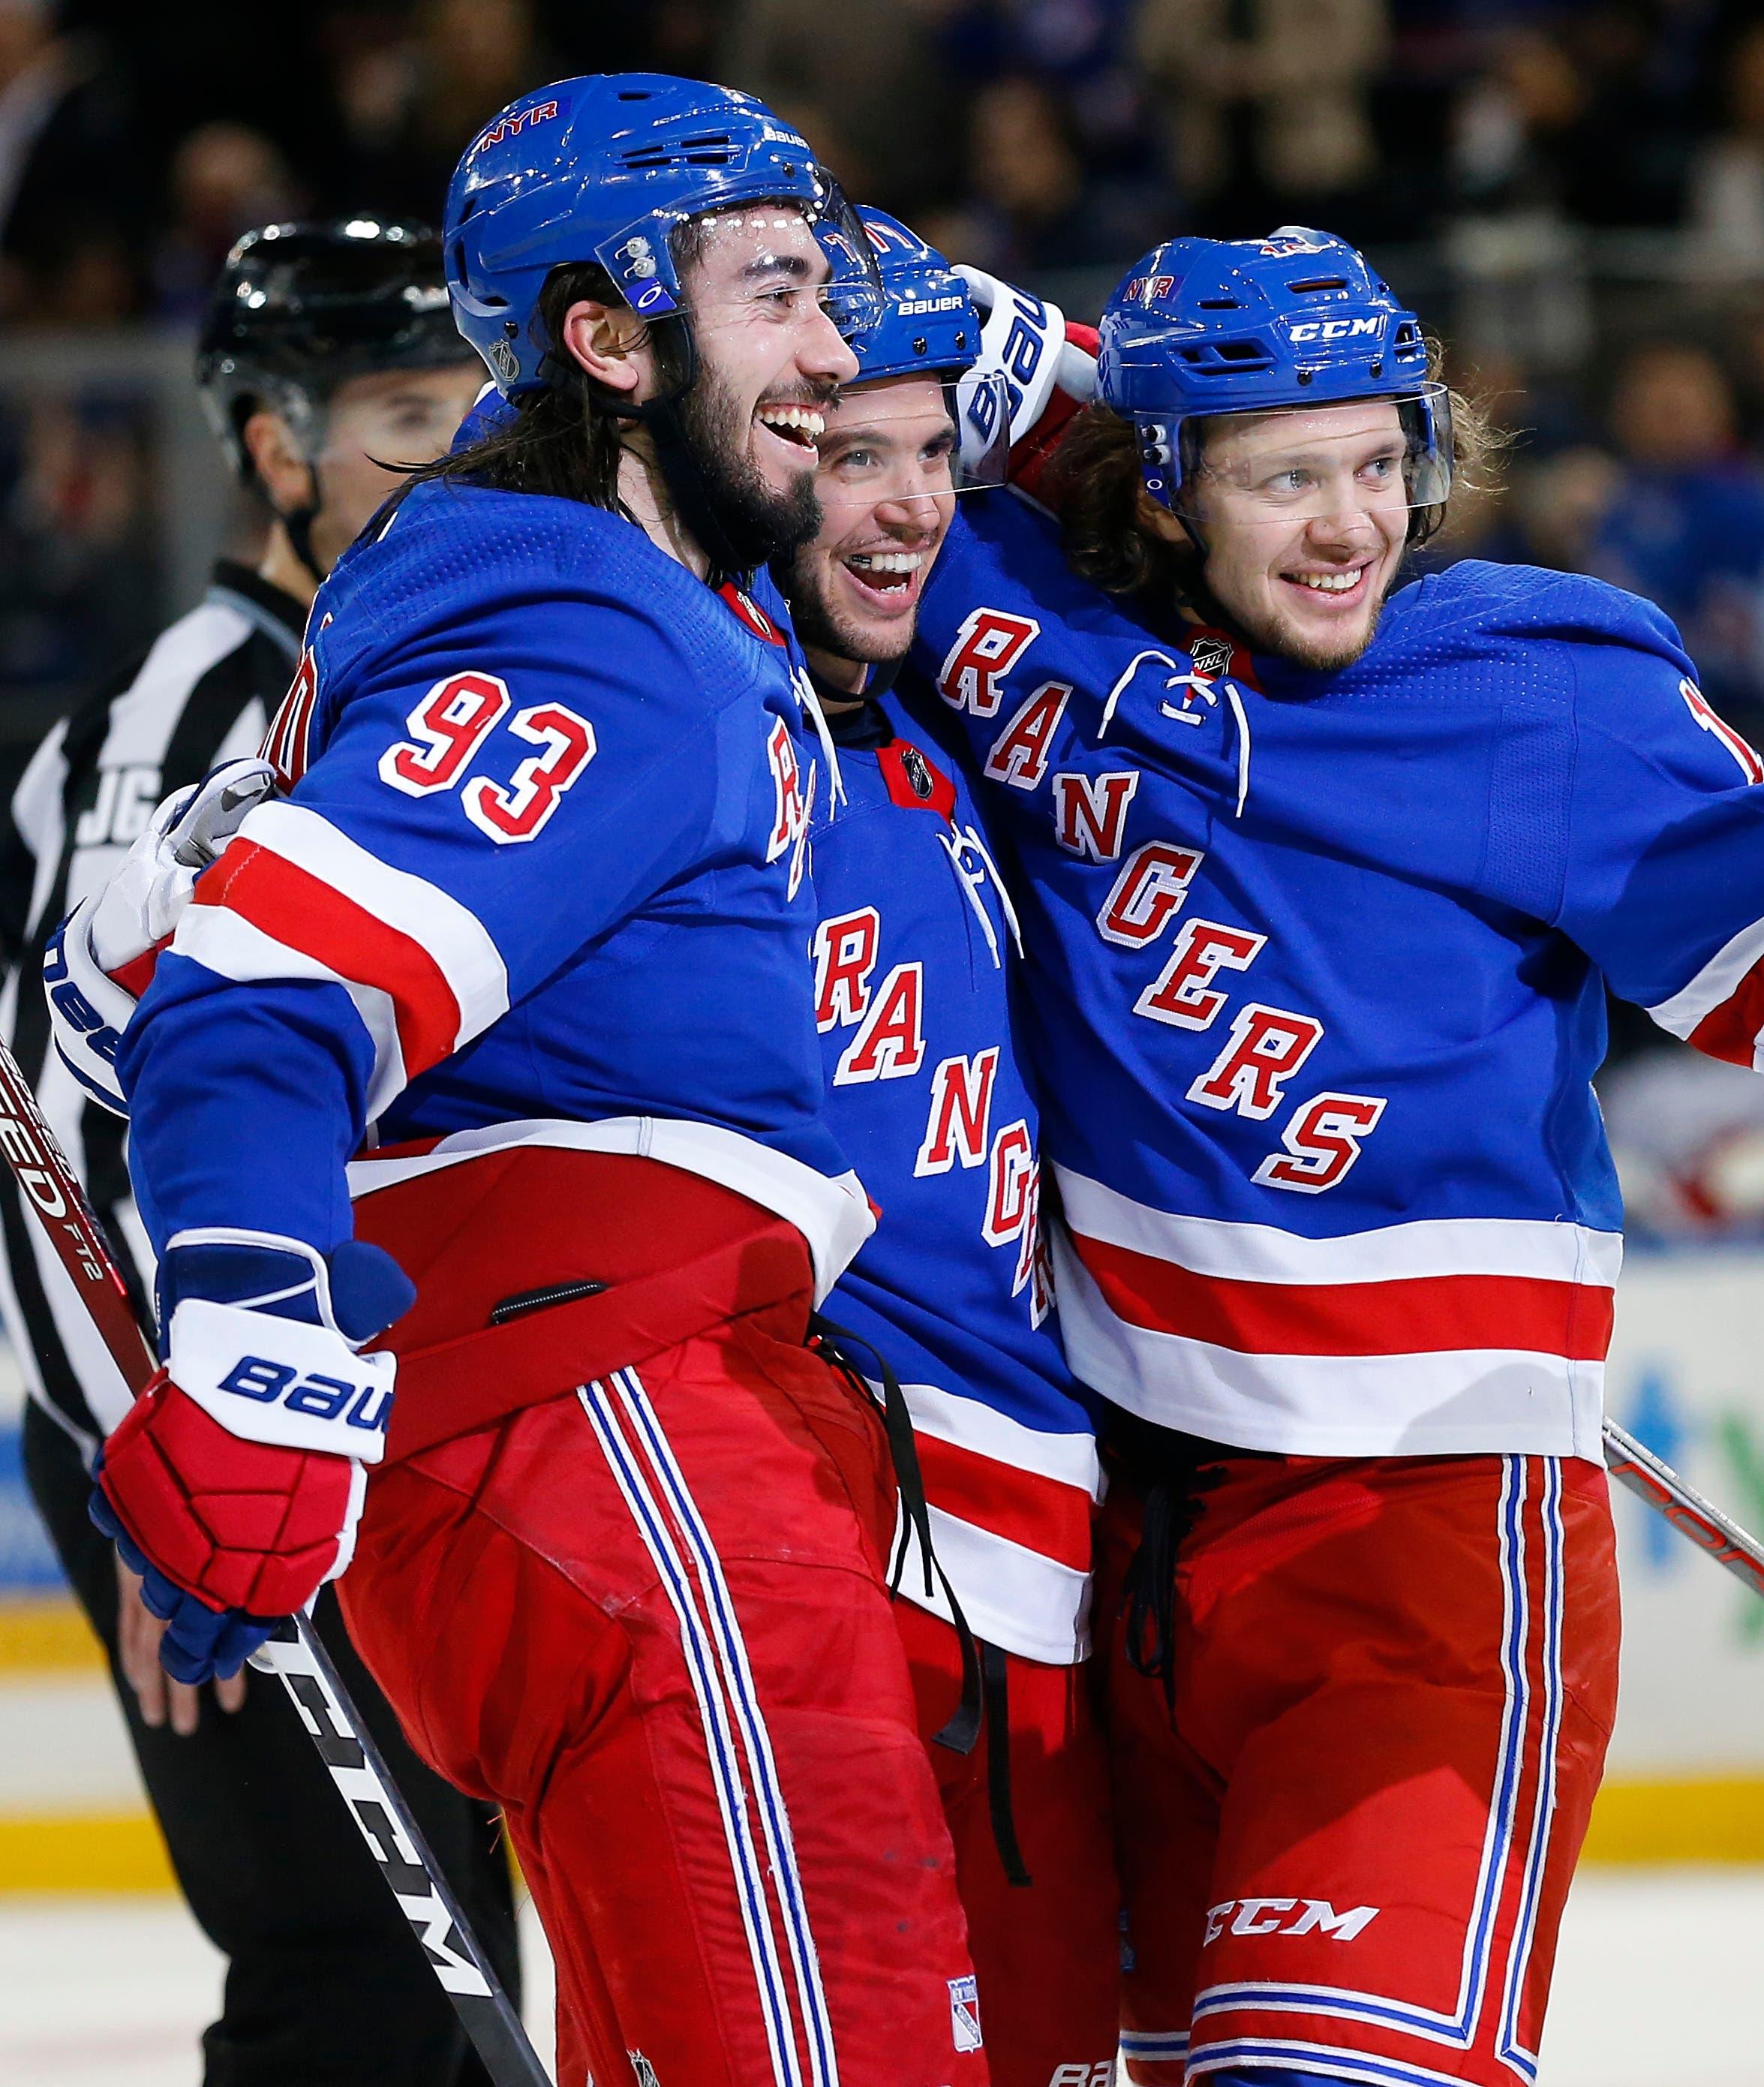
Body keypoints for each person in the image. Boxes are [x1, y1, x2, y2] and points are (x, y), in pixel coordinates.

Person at [73, 73, 993, 2087]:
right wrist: (251, 1347)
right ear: (608, 337)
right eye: (771, 292)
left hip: (624, 1457)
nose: (834, 349)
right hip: (634, 1456)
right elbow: (256, 1005)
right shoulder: (587, 615)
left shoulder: (629, 613)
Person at [906, 225, 1764, 2087]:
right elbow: (796, 342)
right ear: (1160, 483)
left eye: (1380, 462)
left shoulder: (1545, 691)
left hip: (1422, 1540)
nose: (1348, 522)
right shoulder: (1014, 614)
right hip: (1122, 1542)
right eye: (1285, 473)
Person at [0, 218, 512, 2087]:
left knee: (451, 1999)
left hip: (341, 1430)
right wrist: (176, 1468)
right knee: (356, 1991)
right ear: (272, 445)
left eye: (475, 408)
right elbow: (62, 1134)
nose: (450, 455)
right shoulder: (185, 724)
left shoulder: (411, 676)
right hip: (215, 1448)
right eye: (398, 412)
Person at [774, 208, 1119, 2087]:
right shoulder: (672, 706)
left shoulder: (932, 723)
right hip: (814, 1541)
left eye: (932, 453)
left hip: (1033, 1555)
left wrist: (1042, 344)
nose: (907, 507)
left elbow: (1208, 460)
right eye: (849, 457)